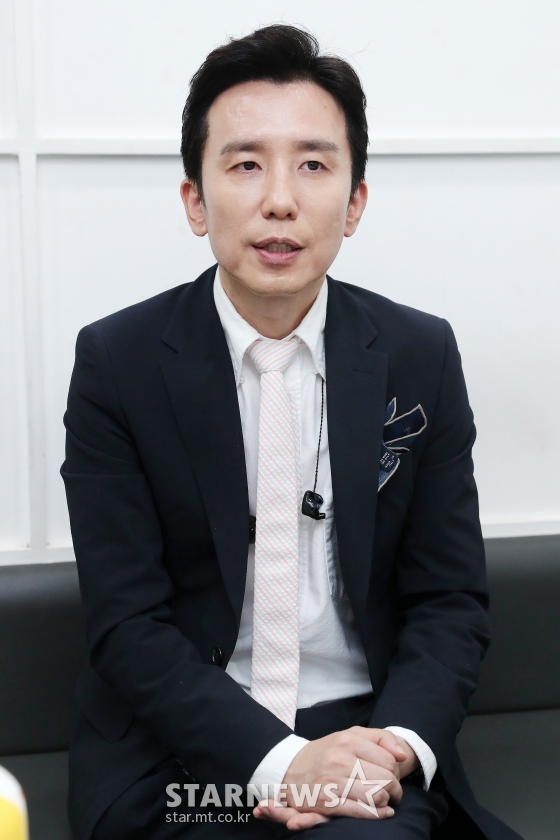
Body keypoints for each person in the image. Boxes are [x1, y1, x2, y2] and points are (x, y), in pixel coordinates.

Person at [62, 24, 523, 840]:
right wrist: (281, 764)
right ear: (195, 200)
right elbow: (127, 625)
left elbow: (448, 600)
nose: (280, 199)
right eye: (246, 164)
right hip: (182, 758)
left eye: (313, 164)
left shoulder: (419, 354)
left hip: (362, 732)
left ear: (355, 202)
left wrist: (395, 748)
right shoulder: (117, 363)